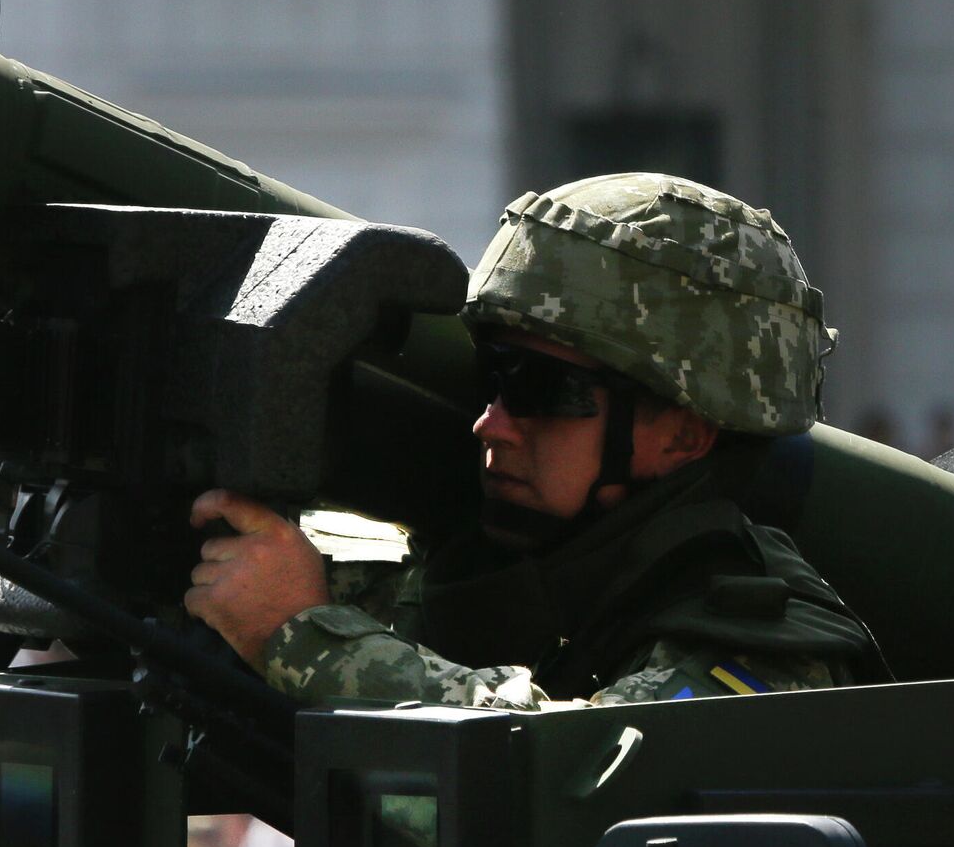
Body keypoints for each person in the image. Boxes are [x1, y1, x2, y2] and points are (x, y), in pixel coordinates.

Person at [184, 172, 884, 709]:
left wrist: (304, 637)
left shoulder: (770, 655)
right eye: (491, 378)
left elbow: (571, 789)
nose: (492, 424)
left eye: (544, 391)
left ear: (682, 436)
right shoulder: (517, 574)